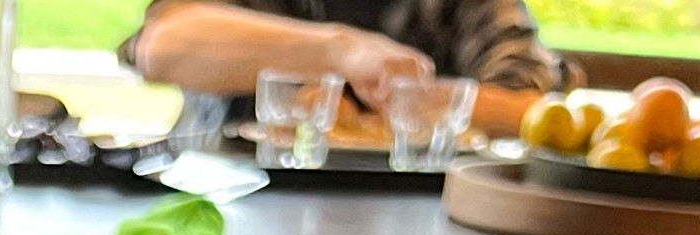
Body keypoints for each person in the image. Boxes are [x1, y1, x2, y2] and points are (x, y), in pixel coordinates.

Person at [121, 0, 560, 136]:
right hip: (224, 208)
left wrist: (366, 116)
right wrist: (342, 51)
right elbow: (163, 46)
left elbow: (534, 109)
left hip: (411, 229)